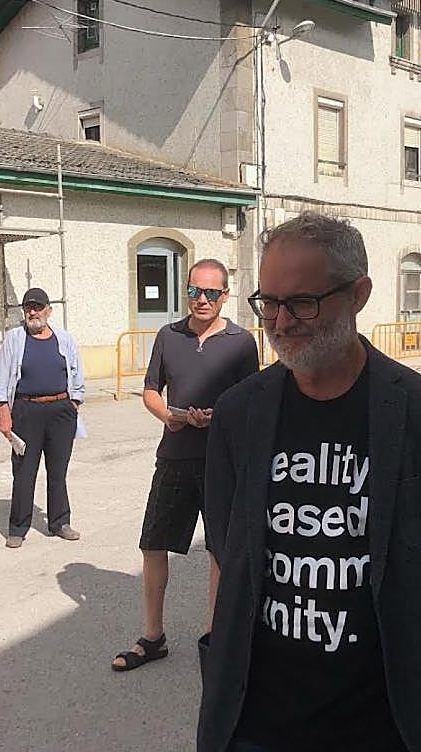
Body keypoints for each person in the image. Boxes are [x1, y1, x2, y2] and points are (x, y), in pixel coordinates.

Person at [199, 212, 421, 752]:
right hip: (257, 717)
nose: (280, 322)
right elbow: (225, 544)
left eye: (302, 302)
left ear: (359, 294)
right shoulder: (237, 413)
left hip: (385, 717)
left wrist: (401, 628)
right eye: (268, 303)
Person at [112, 259, 259, 672]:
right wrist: (170, 416)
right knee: (153, 545)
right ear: (187, 292)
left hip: (222, 463)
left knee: (219, 551)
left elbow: (253, 398)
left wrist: (221, 418)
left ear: (225, 296)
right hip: (175, 457)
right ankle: (152, 637)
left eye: (212, 293)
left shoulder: (241, 341)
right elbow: (149, 392)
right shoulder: (168, 336)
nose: (202, 300)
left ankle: (216, 638)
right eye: (195, 291)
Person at [0, 287, 86, 548]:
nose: (33, 312)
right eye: (28, 307)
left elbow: (76, 371)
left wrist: (75, 402)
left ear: (49, 310)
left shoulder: (64, 338)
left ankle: (59, 522)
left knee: (58, 470)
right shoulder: (14, 339)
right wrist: (4, 412)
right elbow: (2, 377)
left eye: (38, 307)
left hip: (60, 411)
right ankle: (18, 527)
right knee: (24, 471)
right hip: (26, 411)